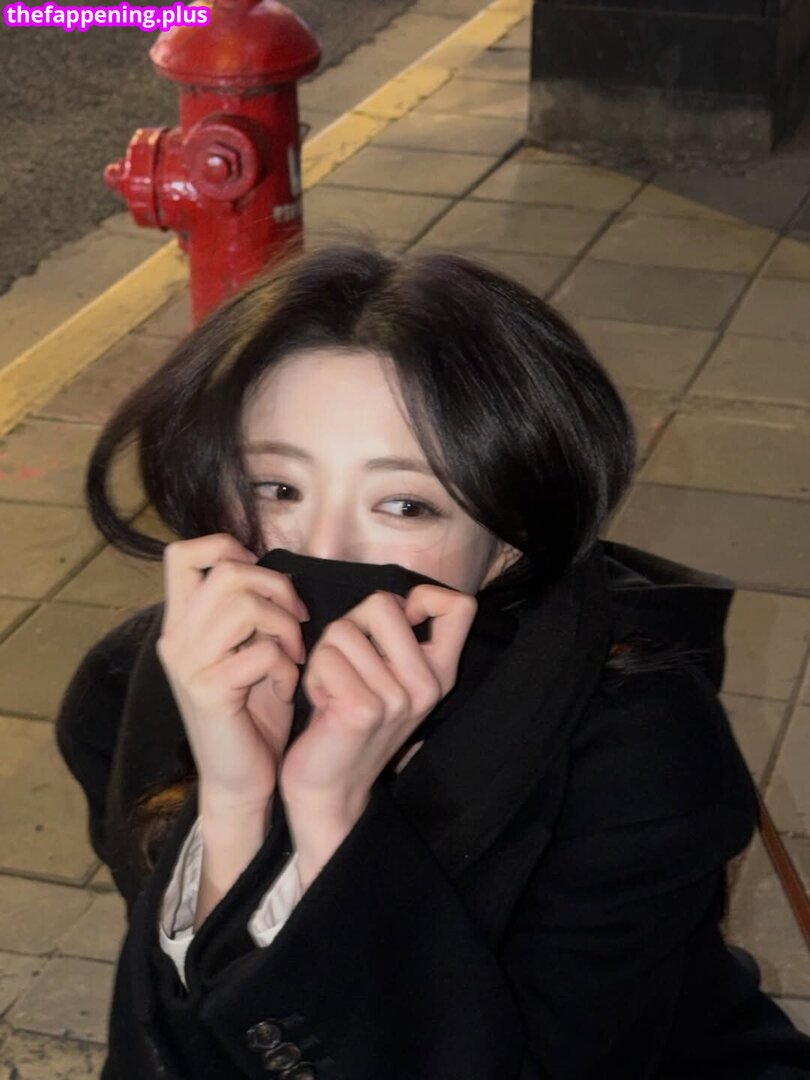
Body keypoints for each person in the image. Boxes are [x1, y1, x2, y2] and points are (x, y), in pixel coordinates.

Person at [56, 243, 810, 1079]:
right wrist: (235, 801)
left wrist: (332, 816)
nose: (324, 549)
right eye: (278, 489)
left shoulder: (638, 749)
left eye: (404, 504)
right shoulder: (145, 685)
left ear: (506, 546)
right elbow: (169, 1046)